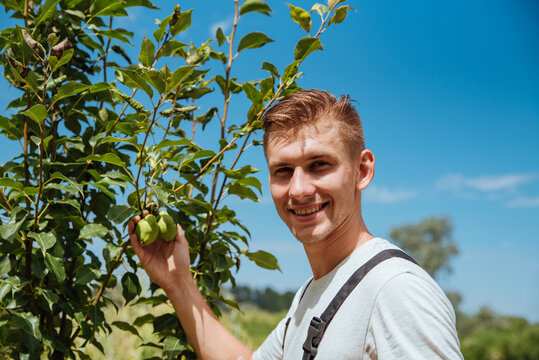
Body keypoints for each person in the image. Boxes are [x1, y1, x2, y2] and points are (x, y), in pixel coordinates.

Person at [129, 89, 464, 359]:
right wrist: (178, 281)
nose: (299, 189)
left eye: (319, 164)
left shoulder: (395, 291)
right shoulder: (312, 295)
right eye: (283, 171)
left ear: (362, 171)